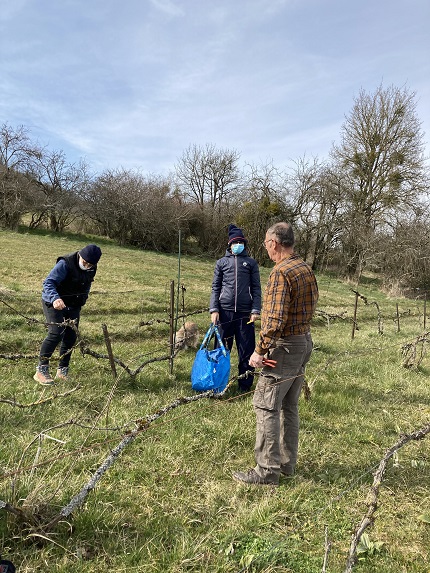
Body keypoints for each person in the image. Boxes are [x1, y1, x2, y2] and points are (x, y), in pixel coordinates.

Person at [233, 222, 318, 485]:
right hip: (303, 341)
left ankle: (267, 472)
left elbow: (275, 320)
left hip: (284, 346)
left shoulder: (281, 272)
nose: (267, 249)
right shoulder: (304, 267)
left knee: (266, 404)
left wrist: (259, 351)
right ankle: (286, 464)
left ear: (274, 243)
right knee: (289, 406)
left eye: (266, 244)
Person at [33, 244, 102, 385]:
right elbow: (49, 283)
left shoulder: (92, 268)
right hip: (53, 301)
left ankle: (62, 371)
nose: (87, 265)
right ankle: (41, 370)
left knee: (71, 336)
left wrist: (83, 298)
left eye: (90, 264)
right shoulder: (65, 263)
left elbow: (87, 283)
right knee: (56, 333)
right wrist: (55, 299)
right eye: (85, 262)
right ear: (80, 256)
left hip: (73, 304)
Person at [209, 224, 261, 392]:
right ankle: (217, 384)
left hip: (245, 315)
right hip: (224, 314)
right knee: (221, 350)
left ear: (244, 244)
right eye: (235, 242)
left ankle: (244, 386)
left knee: (246, 351)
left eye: (241, 242)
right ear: (230, 245)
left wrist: (255, 310)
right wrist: (214, 309)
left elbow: (256, 288)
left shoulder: (251, 263)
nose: (238, 245)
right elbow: (215, 287)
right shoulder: (221, 263)